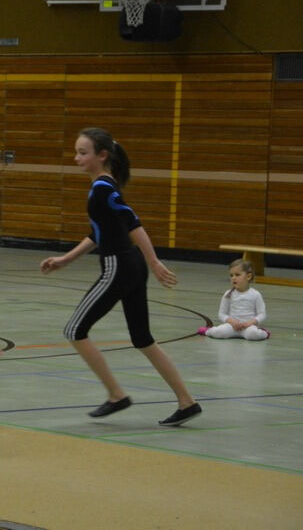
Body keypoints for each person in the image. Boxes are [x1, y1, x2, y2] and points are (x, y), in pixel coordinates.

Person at [39, 127, 202, 427]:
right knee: (143, 339)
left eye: (83, 153)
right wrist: (65, 259)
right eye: (76, 152)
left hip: (120, 265)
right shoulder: (104, 185)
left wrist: (154, 261)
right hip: (130, 265)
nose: (76, 158)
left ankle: (116, 394)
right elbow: (99, 232)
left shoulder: (103, 187)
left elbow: (131, 222)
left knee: (75, 330)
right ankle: (186, 401)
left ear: (102, 156)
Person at [199, 259, 269, 340]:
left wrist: (251, 322)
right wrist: (232, 321)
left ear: (248, 276)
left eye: (237, 275)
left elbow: (262, 315)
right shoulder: (228, 294)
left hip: (248, 327)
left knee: (252, 335)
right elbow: (221, 314)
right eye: (231, 275)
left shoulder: (256, 294)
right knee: (218, 332)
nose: (233, 278)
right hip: (231, 327)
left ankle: (264, 333)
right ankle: (208, 331)